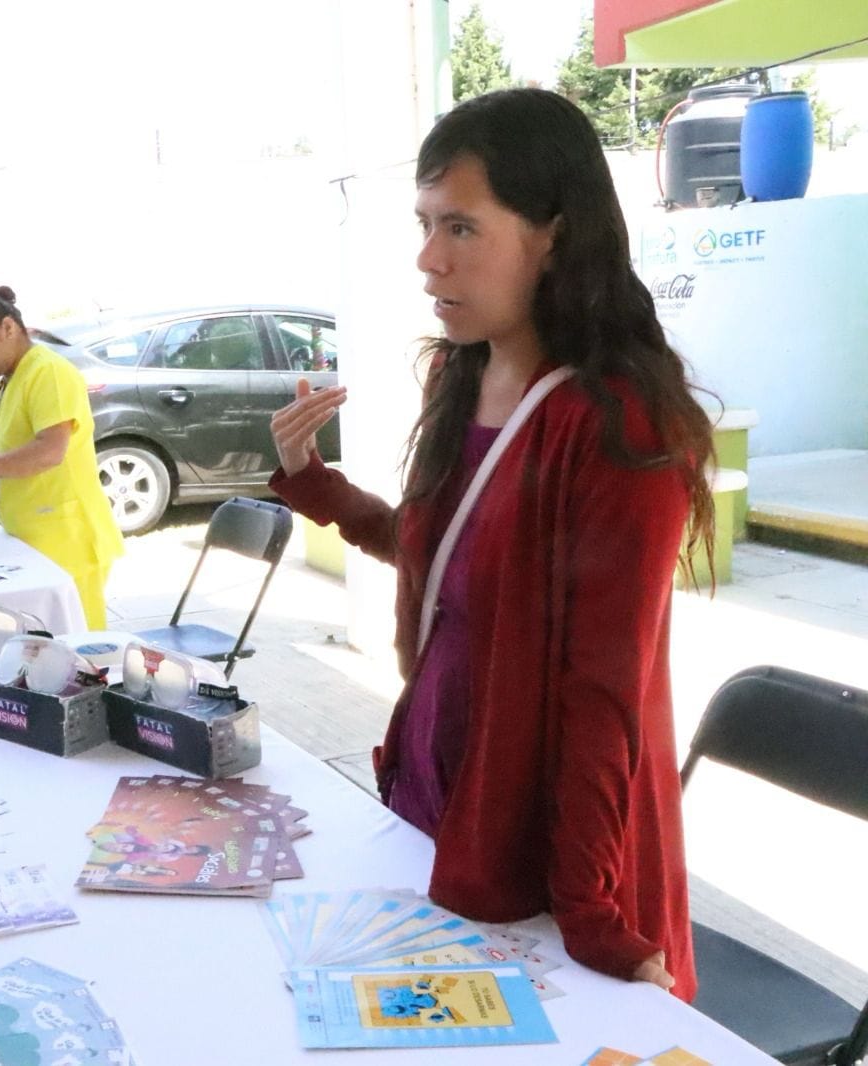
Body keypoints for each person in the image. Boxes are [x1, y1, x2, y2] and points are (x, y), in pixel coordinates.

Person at [267, 89, 711, 1001]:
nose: (429, 261)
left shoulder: (623, 424)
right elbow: (455, 571)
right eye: (425, 224)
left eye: (461, 228)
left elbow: (606, 686)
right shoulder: (460, 373)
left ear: (553, 231)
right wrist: (314, 484)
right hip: (442, 777)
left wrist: (588, 906)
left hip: (550, 828)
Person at [0, 287, 124, 629]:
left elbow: (50, 450)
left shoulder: (48, 371)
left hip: (68, 540)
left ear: (8, 328)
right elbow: (8, 460)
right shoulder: (7, 382)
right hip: (30, 538)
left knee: (78, 654)